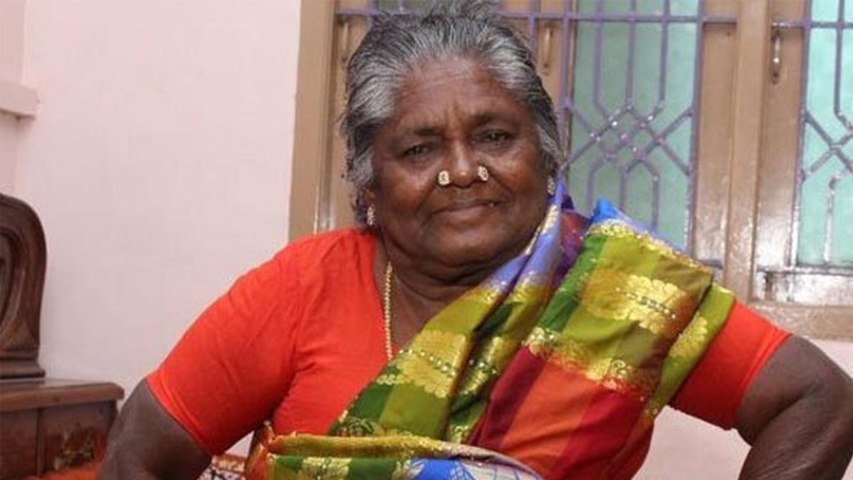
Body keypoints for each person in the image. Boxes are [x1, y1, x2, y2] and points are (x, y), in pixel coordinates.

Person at [98, 2, 853, 479]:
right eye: (418, 149)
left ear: (546, 154)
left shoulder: (619, 292)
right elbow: (141, 448)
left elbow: (819, 400)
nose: (462, 171)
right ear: (367, 184)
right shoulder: (301, 286)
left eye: (494, 136)